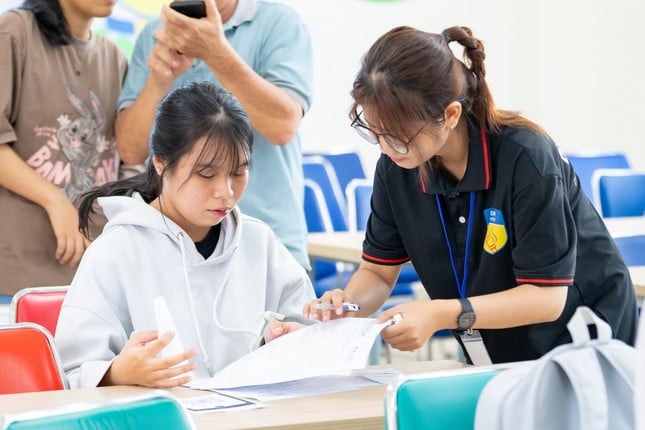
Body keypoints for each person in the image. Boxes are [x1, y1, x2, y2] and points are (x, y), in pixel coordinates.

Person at [304, 25, 638, 364]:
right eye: (375, 133)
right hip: (491, 344)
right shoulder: (396, 167)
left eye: (399, 135)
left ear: (450, 115)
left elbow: (547, 298)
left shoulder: (526, 158)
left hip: (580, 340)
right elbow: (377, 272)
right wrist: (346, 306)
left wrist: (442, 314)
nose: (386, 148)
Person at [55, 82, 315, 389]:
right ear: (161, 163)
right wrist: (117, 373)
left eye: (238, 172)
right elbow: (71, 374)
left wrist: (283, 342)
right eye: (206, 174)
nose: (226, 192)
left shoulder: (260, 243)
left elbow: (309, 341)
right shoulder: (116, 251)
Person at [115, 0, 313, 270]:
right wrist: (159, 79)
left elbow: (282, 126)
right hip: (173, 247)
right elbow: (130, 149)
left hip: (267, 246)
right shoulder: (155, 34)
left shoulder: (279, 23)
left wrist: (215, 52)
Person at [0, 0, 127, 301]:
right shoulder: (16, 32)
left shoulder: (114, 57)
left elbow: (128, 159)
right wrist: (54, 200)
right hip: (18, 278)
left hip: (95, 279)